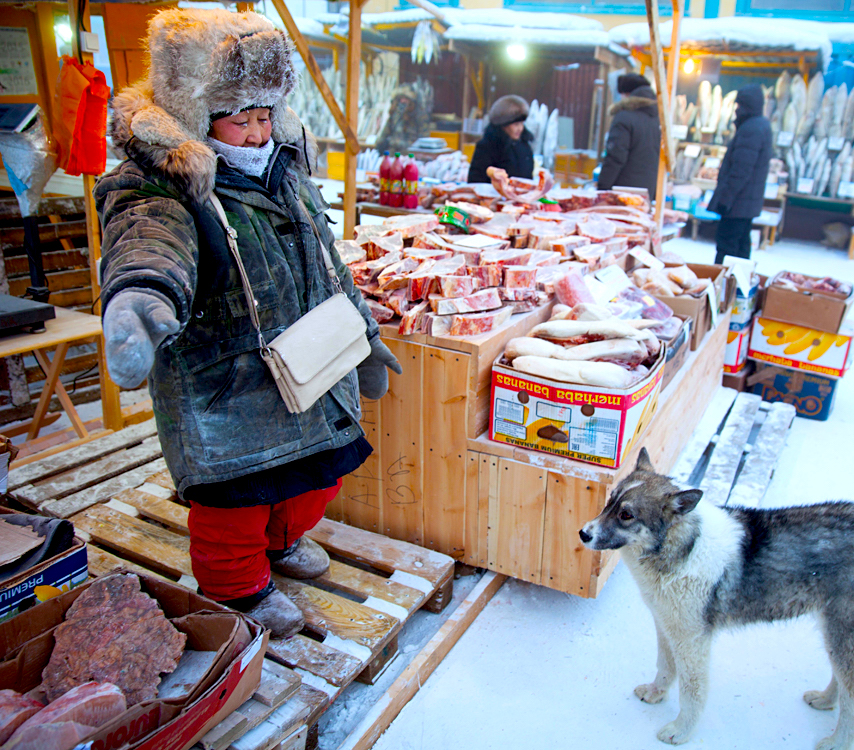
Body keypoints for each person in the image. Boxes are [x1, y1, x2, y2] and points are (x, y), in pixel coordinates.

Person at [96, 8, 401, 639]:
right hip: (226, 378)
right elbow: (149, 238)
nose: (259, 132)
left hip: (310, 363)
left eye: (266, 116)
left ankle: (282, 543)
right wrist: (141, 294)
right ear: (198, 117)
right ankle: (238, 588)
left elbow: (327, 257)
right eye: (242, 118)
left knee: (313, 478)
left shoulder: (286, 165)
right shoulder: (159, 181)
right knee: (237, 500)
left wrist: (365, 339)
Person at [707, 85, 773, 264]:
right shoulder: (760, 125)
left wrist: (724, 200)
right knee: (741, 247)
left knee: (727, 248)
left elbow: (741, 170)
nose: (736, 109)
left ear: (746, 106)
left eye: (739, 105)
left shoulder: (751, 129)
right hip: (746, 203)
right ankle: (738, 287)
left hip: (737, 203)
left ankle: (724, 288)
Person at [598, 73, 661, 199]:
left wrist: (602, 189)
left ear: (626, 94)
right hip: (648, 192)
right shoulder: (657, 119)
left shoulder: (624, 118)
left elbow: (615, 158)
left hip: (622, 194)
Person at [468, 95, 534, 184]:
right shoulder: (487, 147)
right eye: (516, 125)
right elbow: (475, 180)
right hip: (494, 196)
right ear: (503, 124)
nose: (520, 129)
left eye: (522, 124)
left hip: (521, 196)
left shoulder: (524, 145)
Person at [374, 84, 429, 155]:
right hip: (392, 153)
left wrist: (398, 143)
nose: (402, 101)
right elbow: (384, 134)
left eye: (406, 99)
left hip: (410, 155)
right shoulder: (395, 115)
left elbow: (423, 141)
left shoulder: (419, 117)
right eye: (400, 99)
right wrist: (380, 143)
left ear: (411, 101)